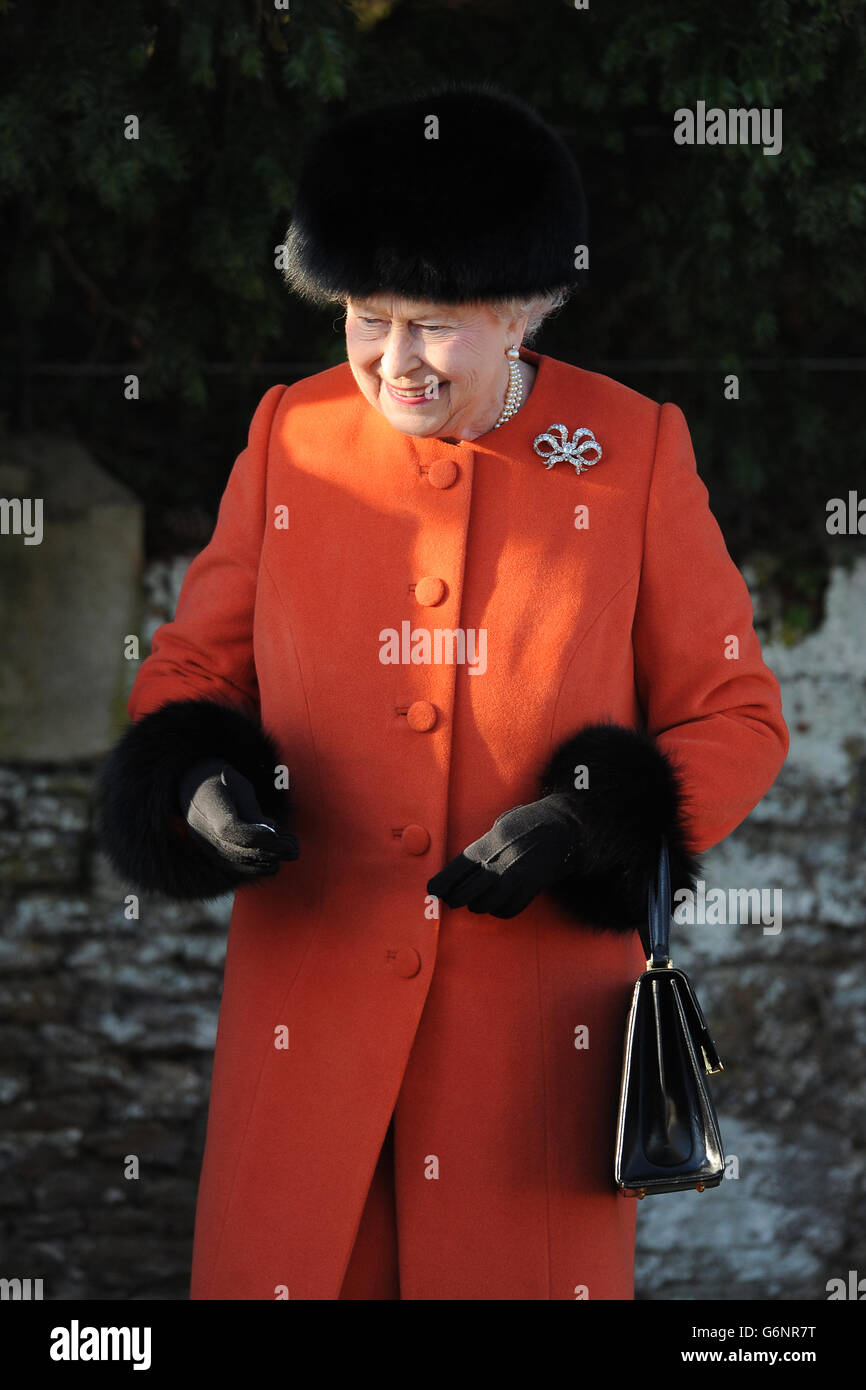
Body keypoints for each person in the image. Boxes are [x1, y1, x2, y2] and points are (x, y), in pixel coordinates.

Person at [96, 82, 789, 1301]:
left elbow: (734, 716)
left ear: (525, 309)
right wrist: (197, 779)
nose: (391, 361)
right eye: (366, 317)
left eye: (431, 324)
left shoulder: (630, 449)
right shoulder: (291, 431)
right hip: (304, 1027)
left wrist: (589, 822)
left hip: (530, 1055)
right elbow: (194, 668)